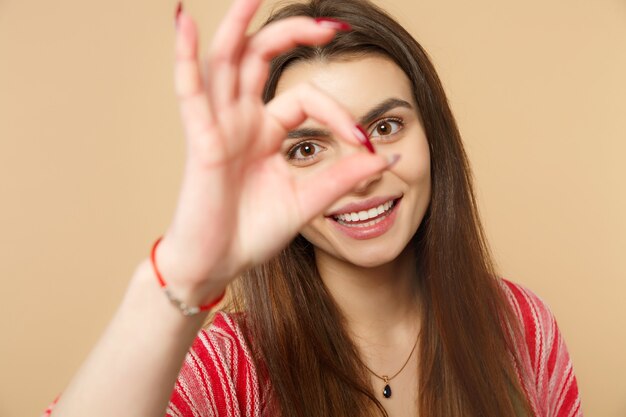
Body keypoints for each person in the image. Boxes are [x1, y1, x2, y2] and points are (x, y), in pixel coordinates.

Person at [43, 0, 582, 416]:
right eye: (306, 149)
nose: (361, 171)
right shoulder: (228, 366)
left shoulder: (519, 325)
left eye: (385, 126)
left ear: (433, 137)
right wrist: (184, 274)